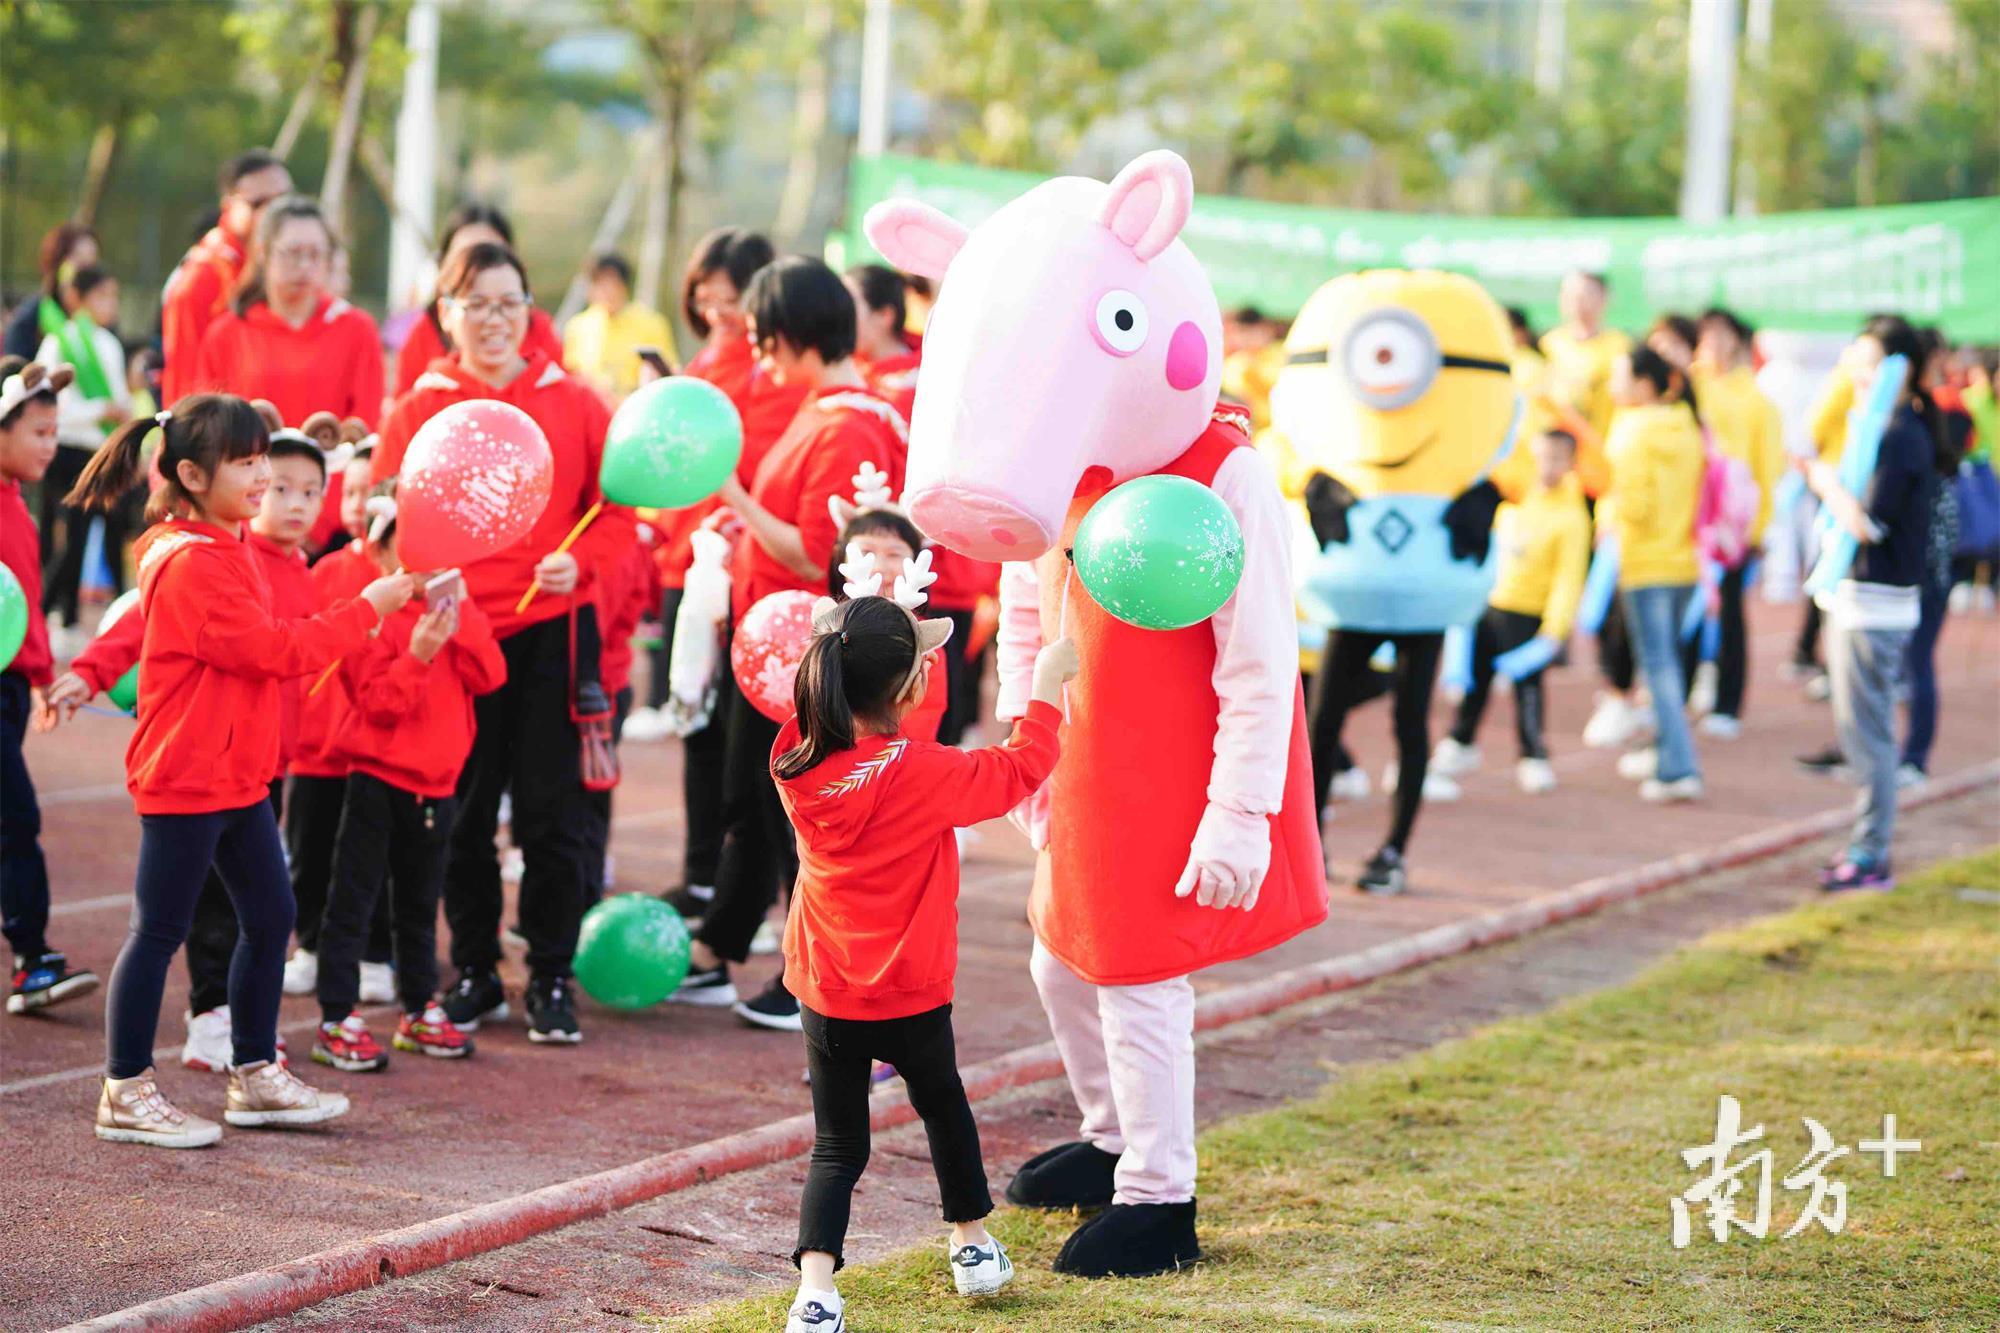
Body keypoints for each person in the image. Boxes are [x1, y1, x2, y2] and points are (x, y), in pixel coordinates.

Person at [58, 392, 415, 1147]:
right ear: (190, 473)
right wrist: (368, 607)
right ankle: (125, 1087)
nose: (262, 477)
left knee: (272, 916)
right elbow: (274, 651)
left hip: (235, 774)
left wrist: (89, 670)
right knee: (158, 929)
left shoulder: (225, 545)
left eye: (263, 459)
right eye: (246, 463)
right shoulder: (193, 561)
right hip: (189, 773)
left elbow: (160, 627)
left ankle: (254, 1074)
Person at [776, 598, 1073, 1333]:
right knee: (943, 1107)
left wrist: (856, 635)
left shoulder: (792, 758)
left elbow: (845, 720)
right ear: (912, 691)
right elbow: (1022, 766)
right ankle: (971, 1244)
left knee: (838, 1144)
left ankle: (815, 1294)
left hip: (827, 984)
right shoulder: (927, 772)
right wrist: (1045, 687)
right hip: (911, 988)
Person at [373, 241, 634, 1046]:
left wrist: (577, 561)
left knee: (553, 816)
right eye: (474, 303)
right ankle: (478, 969)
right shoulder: (420, 407)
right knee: (460, 811)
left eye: (508, 302)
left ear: (531, 310)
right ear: (445, 313)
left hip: (552, 633)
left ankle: (551, 973)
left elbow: (620, 516)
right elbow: (382, 520)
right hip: (455, 636)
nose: (492, 319)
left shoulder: (575, 402)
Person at [667, 256, 909, 1031]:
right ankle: (718, 950)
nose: (761, 357)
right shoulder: (824, 407)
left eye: (767, 339)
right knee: (749, 798)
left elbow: (819, 554)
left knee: (791, 815)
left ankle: (810, 975)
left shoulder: (850, 422)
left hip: (803, 652)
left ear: (799, 333)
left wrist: (732, 491)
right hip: (771, 646)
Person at [637, 230, 799, 928]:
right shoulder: (702, 361)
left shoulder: (772, 377)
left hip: (735, 570)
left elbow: (757, 475)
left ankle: (746, 891)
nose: (717, 310)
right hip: (687, 564)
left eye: (732, 298)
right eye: (706, 296)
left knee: (740, 739)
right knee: (695, 723)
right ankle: (704, 876)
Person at [312, 484, 504, 1071]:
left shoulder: (453, 615)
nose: (429, 564)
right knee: (354, 898)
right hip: (378, 779)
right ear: (386, 553)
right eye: (414, 548)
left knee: (420, 904)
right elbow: (375, 704)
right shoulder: (377, 619)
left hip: (438, 785)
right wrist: (418, 654)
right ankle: (336, 1016)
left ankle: (419, 1008)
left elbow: (490, 674)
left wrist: (462, 611)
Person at [1801, 320, 1939, 893]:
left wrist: (1823, 481)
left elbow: (1866, 523)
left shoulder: (1901, 435)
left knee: (1870, 737)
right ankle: (1866, 846)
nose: (1853, 369)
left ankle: (1871, 854)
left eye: (1866, 358)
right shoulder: (1880, 427)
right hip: (1863, 601)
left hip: (1875, 607)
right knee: (1862, 733)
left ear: (1896, 370)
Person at [2, 360, 100, 1014]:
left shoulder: (21, 509)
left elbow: (23, 608)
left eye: (54, 431)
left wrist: (41, 677)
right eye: (37, 430)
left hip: (10, 687)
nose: (49, 443)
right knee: (16, 816)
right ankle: (33, 959)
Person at [282, 446, 392, 997]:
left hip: (370, 751)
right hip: (313, 747)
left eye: (370, 492)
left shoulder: (401, 575)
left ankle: (377, 950)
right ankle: (309, 942)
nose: (357, 504)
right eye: (349, 492)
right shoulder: (321, 569)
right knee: (309, 852)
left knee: (372, 862)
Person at [1433, 428, 1591, 795]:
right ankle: (1461, 740)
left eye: (1556, 459)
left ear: (1570, 464)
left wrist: (1555, 629)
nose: (1547, 467)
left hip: (1529, 613)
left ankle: (1533, 753)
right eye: (1542, 457)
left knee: (1528, 688)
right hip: (1491, 605)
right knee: (1476, 679)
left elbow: (1569, 578)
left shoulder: (1572, 517)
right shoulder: (1514, 501)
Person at [1602, 346, 1706, 803]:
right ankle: (1667, 752)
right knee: (1667, 665)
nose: (1612, 386)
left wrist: (1608, 515)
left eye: (1620, 375)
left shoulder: (1632, 431)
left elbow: (1634, 503)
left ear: (1644, 383)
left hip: (1646, 561)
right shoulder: (1686, 426)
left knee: (1658, 668)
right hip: (1685, 558)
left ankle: (1678, 767)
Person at [192, 196, 383, 433]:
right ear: (263, 252)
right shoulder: (226, 333)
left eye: (315, 254)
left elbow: (365, 426)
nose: (304, 266)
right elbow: (210, 425)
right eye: (292, 252)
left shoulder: (356, 328)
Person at [1688, 307, 1786, 738]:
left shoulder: (1757, 400)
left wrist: (1760, 528)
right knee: (1686, 608)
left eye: (1721, 334)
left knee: (1729, 613)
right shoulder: (1688, 386)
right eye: (1706, 334)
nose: (1713, 342)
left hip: (1730, 526)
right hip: (1688, 520)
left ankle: (1728, 703)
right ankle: (1685, 690)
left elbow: (1767, 468)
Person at [34, 265, 132, 640]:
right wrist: (99, 410)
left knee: (103, 531)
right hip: (68, 453)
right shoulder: (62, 342)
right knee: (70, 539)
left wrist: (119, 414)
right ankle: (52, 616)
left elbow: (120, 397)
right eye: (102, 296)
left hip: (100, 453)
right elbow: (52, 402)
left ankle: (77, 619)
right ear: (78, 298)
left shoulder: (108, 343)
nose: (110, 304)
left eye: (113, 297)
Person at [162, 149, 294, 405]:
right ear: (229, 205)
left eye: (284, 200)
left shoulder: (287, 264)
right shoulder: (203, 279)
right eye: (259, 203)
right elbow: (185, 386)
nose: (275, 212)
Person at [392, 203, 565, 398]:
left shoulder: (540, 331)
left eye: (491, 253)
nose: (481, 265)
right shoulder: (423, 334)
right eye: (466, 255)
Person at [562, 253, 676, 401]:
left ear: (624, 285)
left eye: (612, 284)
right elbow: (571, 374)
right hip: (592, 412)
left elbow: (668, 372)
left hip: (637, 408)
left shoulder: (652, 322)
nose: (607, 291)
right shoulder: (577, 327)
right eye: (600, 284)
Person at [3, 223, 98, 361]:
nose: (87, 269)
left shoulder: (99, 319)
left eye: (92, 259)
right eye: (79, 258)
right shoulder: (30, 318)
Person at [846, 264, 921, 421]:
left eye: (849, 307)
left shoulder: (918, 384)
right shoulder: (845, 367)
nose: (840, 316)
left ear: (885, 315)